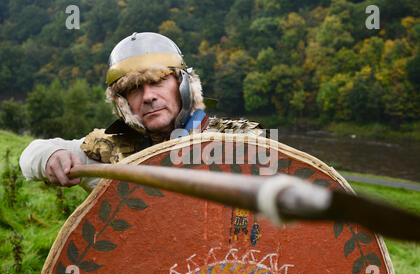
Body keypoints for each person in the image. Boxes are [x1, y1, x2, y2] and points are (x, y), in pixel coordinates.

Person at [20, 32, 263, 192]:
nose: (148, 96)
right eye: (134, 89)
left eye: (158, 82)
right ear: (123, 102)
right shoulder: (108, 151)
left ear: (183, 86)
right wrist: (51, 157)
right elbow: (31, 155)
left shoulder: (238, 142)